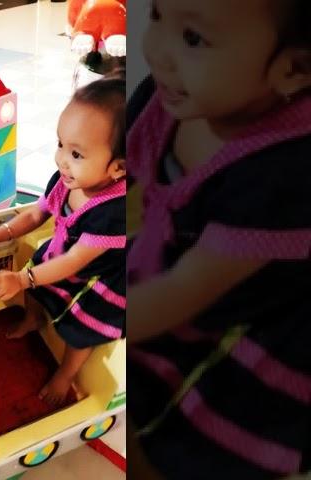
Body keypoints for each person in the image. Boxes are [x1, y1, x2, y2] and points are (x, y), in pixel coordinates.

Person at [126, 0, 311, 478]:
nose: (157, 50)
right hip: (178, 258)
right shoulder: (172, 94)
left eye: (193, 38)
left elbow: (183, 293)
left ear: (292, 70)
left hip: (242, 308)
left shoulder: (282, 176)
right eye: (158, 14)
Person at [0, 76, 127, 405]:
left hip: (95, 277)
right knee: (35, 279)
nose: (61, 159)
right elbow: (35, 214)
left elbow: (75, 262)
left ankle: (66, 374)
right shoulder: (66, 179)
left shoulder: (115, 212)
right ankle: (34, 318)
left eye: (76, 153)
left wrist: (21, 279)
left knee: (82, 329)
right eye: (60, 144)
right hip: (61, 255)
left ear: (119, 168)